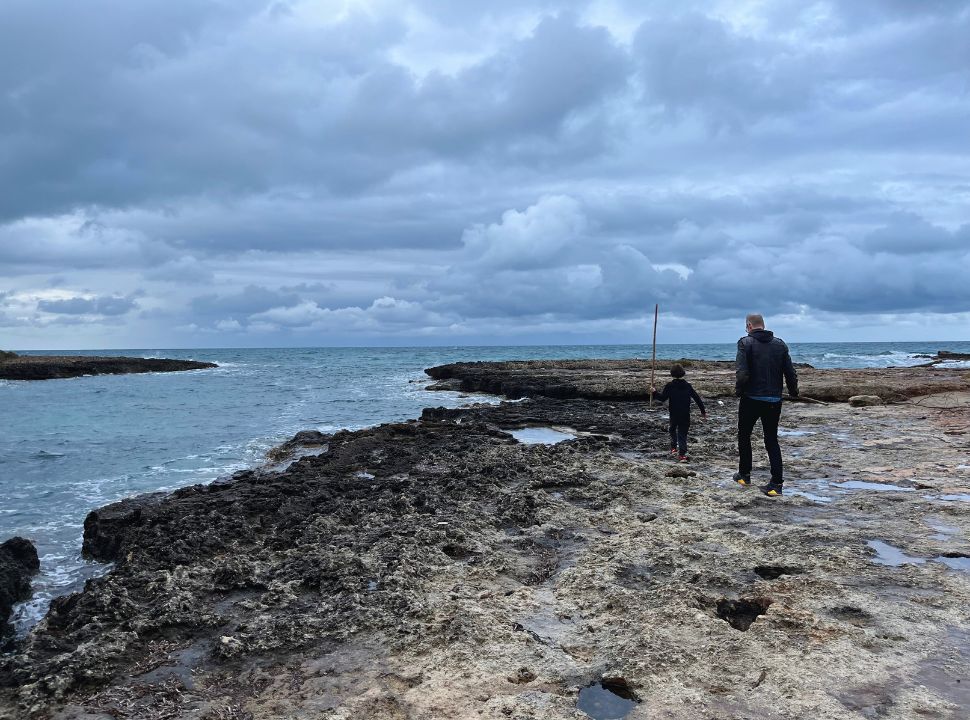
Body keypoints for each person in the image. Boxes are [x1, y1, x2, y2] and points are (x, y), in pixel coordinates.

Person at [733, 313, 798, 497]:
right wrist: (793, 391)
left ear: (749, 326)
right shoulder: (780, 344)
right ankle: (776, 484)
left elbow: (742, 373)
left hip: (751, 398)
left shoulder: (744, 343)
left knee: (744, 435)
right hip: (774, 400)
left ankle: (744, 475)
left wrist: (739, 390)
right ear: (763, 325)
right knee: (771, 440)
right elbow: (790, 372)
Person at [650, 363, 706, 462]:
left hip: (674, 414)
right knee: (682, 434)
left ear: (672, 374)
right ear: (683, 373)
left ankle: (674, 448)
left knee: (672, 429)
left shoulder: (670, 386)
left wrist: (654, 392)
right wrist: (703, 412)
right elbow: (697, 398)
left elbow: (662, 398)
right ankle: (682, 454)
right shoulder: (688, 386)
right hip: (685, 414)